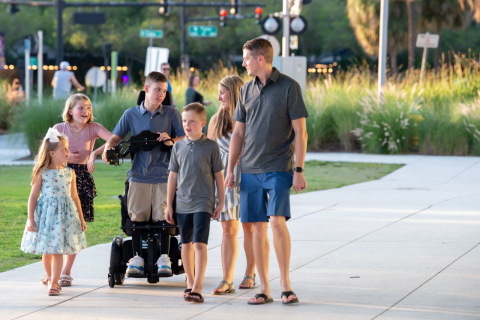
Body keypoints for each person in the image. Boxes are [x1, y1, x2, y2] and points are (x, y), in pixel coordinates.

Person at [225, 38, 308, 305]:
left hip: (279, 167)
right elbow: (238, 133)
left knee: (276, 222)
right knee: (256, 228)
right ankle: (264, 288)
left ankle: (285, 284)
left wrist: (299, 169)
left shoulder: (289, 87)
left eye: (247, 58)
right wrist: (230, 170)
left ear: (261, 59)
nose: (244, 63)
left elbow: (300, 131)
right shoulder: (246, 91)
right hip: (249, 170)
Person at [102, 71, 185, 276]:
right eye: (158, 90)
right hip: (138, 175)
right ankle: (137, 257)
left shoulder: (171, 114)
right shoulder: (130, 114)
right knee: (137, 219)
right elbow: (114, 138)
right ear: (147, 89)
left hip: (164, 175)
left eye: (164, 91)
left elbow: (187, 137)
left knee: (163, 218)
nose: (161, 95)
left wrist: (172, 140)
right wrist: (107, 149)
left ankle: (164, 257)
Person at [166, 103, 225, 303]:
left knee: (200, 243)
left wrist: (221, 201)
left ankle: (198, 286)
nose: (187, 125)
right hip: (182, 203)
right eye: (184, 121)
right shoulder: (178, 146)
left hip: (203, 202)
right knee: (186, 243)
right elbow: (172, 177)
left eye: (192, 121)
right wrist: (169, 204)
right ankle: (190, 282)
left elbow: (218, 176)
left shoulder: (211, 146)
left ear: (203, 122)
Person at [53, 93, 113, 286]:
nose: (85, 111)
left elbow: (114, 140)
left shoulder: (94, 128)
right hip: (61, 178)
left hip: (82, 179)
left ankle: (66, 272)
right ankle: (51, 272)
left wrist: (94, 153)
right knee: (57, 225)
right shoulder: (59, 128)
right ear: (70, 110)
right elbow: (48, 153)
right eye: (81, 108)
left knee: (76, 227)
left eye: (88, 108)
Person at [20, 128, 87, 296]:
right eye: (63, 149)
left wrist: (81, 217)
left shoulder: (70, 173)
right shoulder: (42, 173)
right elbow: (33, 197)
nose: (67, 152)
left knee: (57, 249)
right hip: (46, 216)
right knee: (48, 250)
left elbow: (75, 197)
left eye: (67, 149)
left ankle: (54, 283)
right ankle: (49, 276)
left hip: (65, 217)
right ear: (52, 153)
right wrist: (30, 219)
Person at [207, 75, 256, 294]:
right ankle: (227, 279)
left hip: (249, 176)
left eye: (222, 92)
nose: (218, 97)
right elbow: (207, 154)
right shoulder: (216, 120)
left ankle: (250, 273)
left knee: (250, 227)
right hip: (225, 181)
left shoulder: (250, 117)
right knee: (228, 229)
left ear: (234, 93)